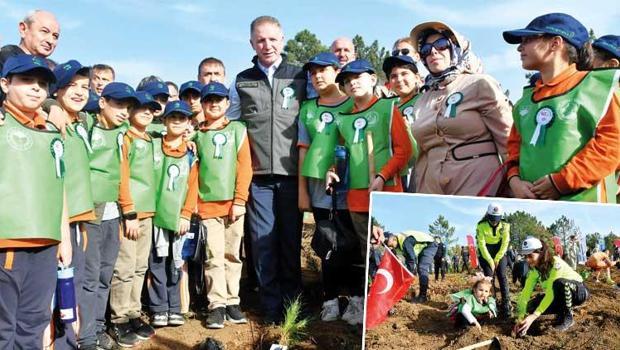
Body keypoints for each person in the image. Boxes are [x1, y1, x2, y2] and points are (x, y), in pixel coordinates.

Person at [225, 16, 307, 325]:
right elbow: (232, 125)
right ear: (251, 44)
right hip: (257, 179)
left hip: (291, 176)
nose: (267, 45)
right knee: (262, 244)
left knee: (289, 241)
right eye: (260, 40)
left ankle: (293, 307)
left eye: (272, 39)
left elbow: (312, 120)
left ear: (282, 40)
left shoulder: (301, 76)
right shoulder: (242, 80)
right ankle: (271, 309)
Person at [503, 13, 620, 203]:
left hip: (585, 208)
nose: (519, 47)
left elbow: (612, 146)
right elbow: (514, 151)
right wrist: (514, 180)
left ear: (555, 43)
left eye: (528, 39)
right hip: (530, 204)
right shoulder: (523, 104)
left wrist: (561, 182)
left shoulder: (599, 89)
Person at [0, 54, 71, 349]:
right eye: (26, 80)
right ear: (5, 84)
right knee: (4, 327)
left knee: (33, 323)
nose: (35, 88)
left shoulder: (51, 133)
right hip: (9, 244)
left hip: (46, 243)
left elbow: (59, 187)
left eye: (42, 83)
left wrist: (64, 237)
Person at [297, 52, 364, 325]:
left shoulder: (354, 105)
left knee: (356, 246)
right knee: (327, 244)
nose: (318, 76)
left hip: (353, 189)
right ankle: (330, 299)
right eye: (313, 73)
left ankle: (357, 300)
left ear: (337, 71)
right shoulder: (307, 108)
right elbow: (302, 151)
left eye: (323, 70)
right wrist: (303, 191)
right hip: (320, 193)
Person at [409, 21, 512, 196]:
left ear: (455, 49)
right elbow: (422, 154)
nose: (433, 52)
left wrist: (515, 182)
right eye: (426, 50)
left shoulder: (480, 83)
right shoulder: (421, 101)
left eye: (441, 45)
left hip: (478, 180)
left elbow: (508, 139)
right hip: (431, 187)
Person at [80, 82, 139, 350]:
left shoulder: (122, 133)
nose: (125, 111)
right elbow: (54, 107)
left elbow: (123, 173)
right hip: (89, 213)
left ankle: (99, 329)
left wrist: (128, 211)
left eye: (127, 106)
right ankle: (85, 337)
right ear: (102, 102)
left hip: (112, 213)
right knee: (89, 277)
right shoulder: (85, 125)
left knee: (105, 275)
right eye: (118, 104)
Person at [45, 59, 95, 350]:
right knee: (52, 296)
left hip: (77, 218)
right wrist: (50, 104)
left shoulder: (81, 123)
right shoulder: (52, 121)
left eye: (85, 87)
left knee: (70, 289)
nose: (80, 92)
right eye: (72, 86)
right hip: (54, 222)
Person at [194, 83, 252, 329]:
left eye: (219, 99)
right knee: (213, 256)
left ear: (228, 103)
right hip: (208, 206)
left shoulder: (238, 129)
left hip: (234, 206)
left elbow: (245, 166)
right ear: (202, 104)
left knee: (232, 255)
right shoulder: (196, 134)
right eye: (209, 100)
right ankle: (216, 304)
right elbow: (193, 171)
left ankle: (232, 301)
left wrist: (240, 200)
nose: (214, 104)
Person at [108, 91, 162, 347]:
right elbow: (122, 174)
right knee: (125, 267)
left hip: (147, 212)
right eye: (142, 108)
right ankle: (118, 318)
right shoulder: (124, 137)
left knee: (140, 266)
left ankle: (132, 311)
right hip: (130, 214)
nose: (148, 113)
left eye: (151, 109)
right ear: (130, 110)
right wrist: (128, 210)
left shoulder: (150, 138)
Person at [148, 100, 198, 329]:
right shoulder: (153, 145)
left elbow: (192, 186)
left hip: (178, 218)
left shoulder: (190, 154)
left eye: (182, 118)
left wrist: (186, 214)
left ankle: (175, 308)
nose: (177, 121)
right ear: (164, 120)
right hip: (156, 216)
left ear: (188, 122)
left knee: (175, 264)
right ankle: (159, 308)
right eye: (172, 117)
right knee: (157, 262)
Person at [514, 236, 588, 335]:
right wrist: (520, 317)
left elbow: (550, 294)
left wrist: (534, 316)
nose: (527, 260)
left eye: (530, 256)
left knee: (559, 283)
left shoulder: (555, 263)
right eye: (525, 256)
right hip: (558, 295)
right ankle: (560, 311)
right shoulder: (534, 271)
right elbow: (525, 293)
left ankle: (568, 317)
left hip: (579, 291)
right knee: (530, 306)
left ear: (540, 253)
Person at [382, 53, 422, 192]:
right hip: (398, 171)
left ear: (417, 78)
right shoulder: (389, 108)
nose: (399, 79)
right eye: (393, 76)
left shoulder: (426, 100)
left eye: (404, 73)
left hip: (421, 169)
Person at [475, 203, 511, 317]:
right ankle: (491, 304)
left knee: (502, 275)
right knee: (489, 278)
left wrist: (498, 257)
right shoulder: (481, 225)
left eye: (497, 220)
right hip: (486, 252)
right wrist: (490, 261)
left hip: (500, 251)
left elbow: (505, 242)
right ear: (488, 215)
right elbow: (481, 244)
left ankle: (506, 304)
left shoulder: (505, 225)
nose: (494, 222)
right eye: (492, 219)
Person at [385, 231, 437, 303]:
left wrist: (408, 276)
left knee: (422, 268)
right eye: (388, 247)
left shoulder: (405, 241)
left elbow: (412, 260)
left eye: (391, 245)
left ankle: (423, 296)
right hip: (421, 249)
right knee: (414, 268)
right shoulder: (396, 246)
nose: (391, 248)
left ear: (394, 238)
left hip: (430, 245)